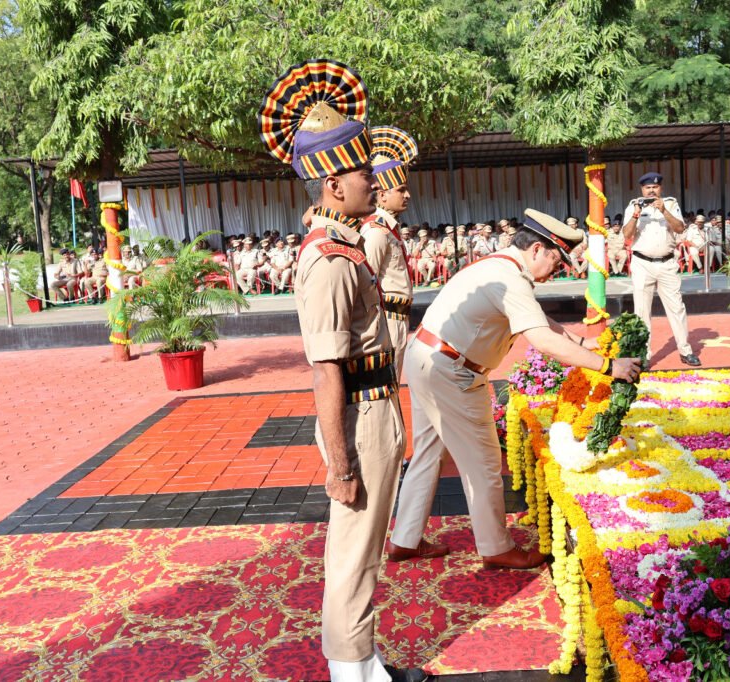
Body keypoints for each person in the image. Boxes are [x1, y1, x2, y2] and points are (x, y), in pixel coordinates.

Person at [259, 58, 425, 682]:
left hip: (378, 404)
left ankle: (363, 663)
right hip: (360, 416)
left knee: (364, 551)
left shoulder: (347, 245)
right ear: (333, 184)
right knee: (354, 554)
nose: (372, 182)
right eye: (361, 172)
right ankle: (350, 673)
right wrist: (340, 467)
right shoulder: (328, 260)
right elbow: (325, 371)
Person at [386, 209, 644, 569]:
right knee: (485, 461)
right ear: (537, 248)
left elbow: (538, 319)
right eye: (557, 260)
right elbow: (540, 338)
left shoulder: (503, 267)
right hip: (451, 370)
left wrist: (582, 344)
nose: (560, 269)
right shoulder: (509, 279)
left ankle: (404, 539)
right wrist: (608, 367)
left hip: (431, 358)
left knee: (429, 451)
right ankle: (495, 547)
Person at [622, 172, 700, 366]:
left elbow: (680, 228)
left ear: (660, 188)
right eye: (648, 187)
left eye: (655, 187)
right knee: (641, 310)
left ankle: (685, 350)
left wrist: (664, 210)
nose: (651, 190)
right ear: (642, 189)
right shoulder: (633, 206)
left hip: (666, 263)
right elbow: (627, 235)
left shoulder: (671, 204)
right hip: (642, 264)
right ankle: (644, 355)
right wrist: (635, 215)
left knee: (676, 307)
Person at [362, 125, 418, 376]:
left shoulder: (389, 228)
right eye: (401, 190)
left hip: (399, 318)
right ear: (382, 195)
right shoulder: (376, 231)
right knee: (387, 383)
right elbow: (367, 281)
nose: (407, 195)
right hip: (387, 320)